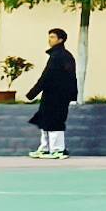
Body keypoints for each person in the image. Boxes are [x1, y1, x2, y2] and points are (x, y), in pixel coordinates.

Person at [29, 26, 78, 160]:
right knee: (45, 120)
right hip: (51, 95)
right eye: (49, 37)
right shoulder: (58, 55)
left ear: (60, 40)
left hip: (58, 95)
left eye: (52, 37)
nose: (49, 39)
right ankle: (45, 149)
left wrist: (32, 93)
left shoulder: (60, 56)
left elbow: (48, 76)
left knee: (55, 121)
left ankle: (58, 149)